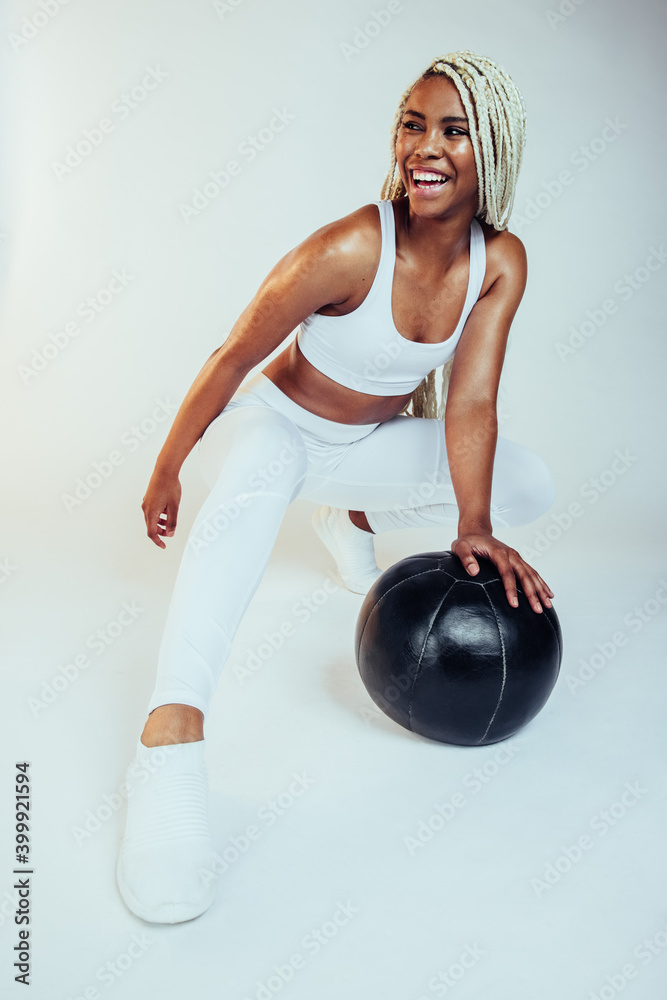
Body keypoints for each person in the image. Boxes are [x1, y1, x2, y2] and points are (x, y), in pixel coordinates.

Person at [117, 50, 556, 924]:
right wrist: (166, 467)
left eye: (453, 130)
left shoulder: (498, 261)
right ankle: (169, 740)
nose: (426, 147)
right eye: (413, 123)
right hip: (275, 429)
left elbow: (470, 401)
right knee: (243, 509)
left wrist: (473, 522)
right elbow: (234, 356)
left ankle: (342, 507)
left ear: (492, 148)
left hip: (361, 448)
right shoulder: (355, 243)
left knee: (526, 486)